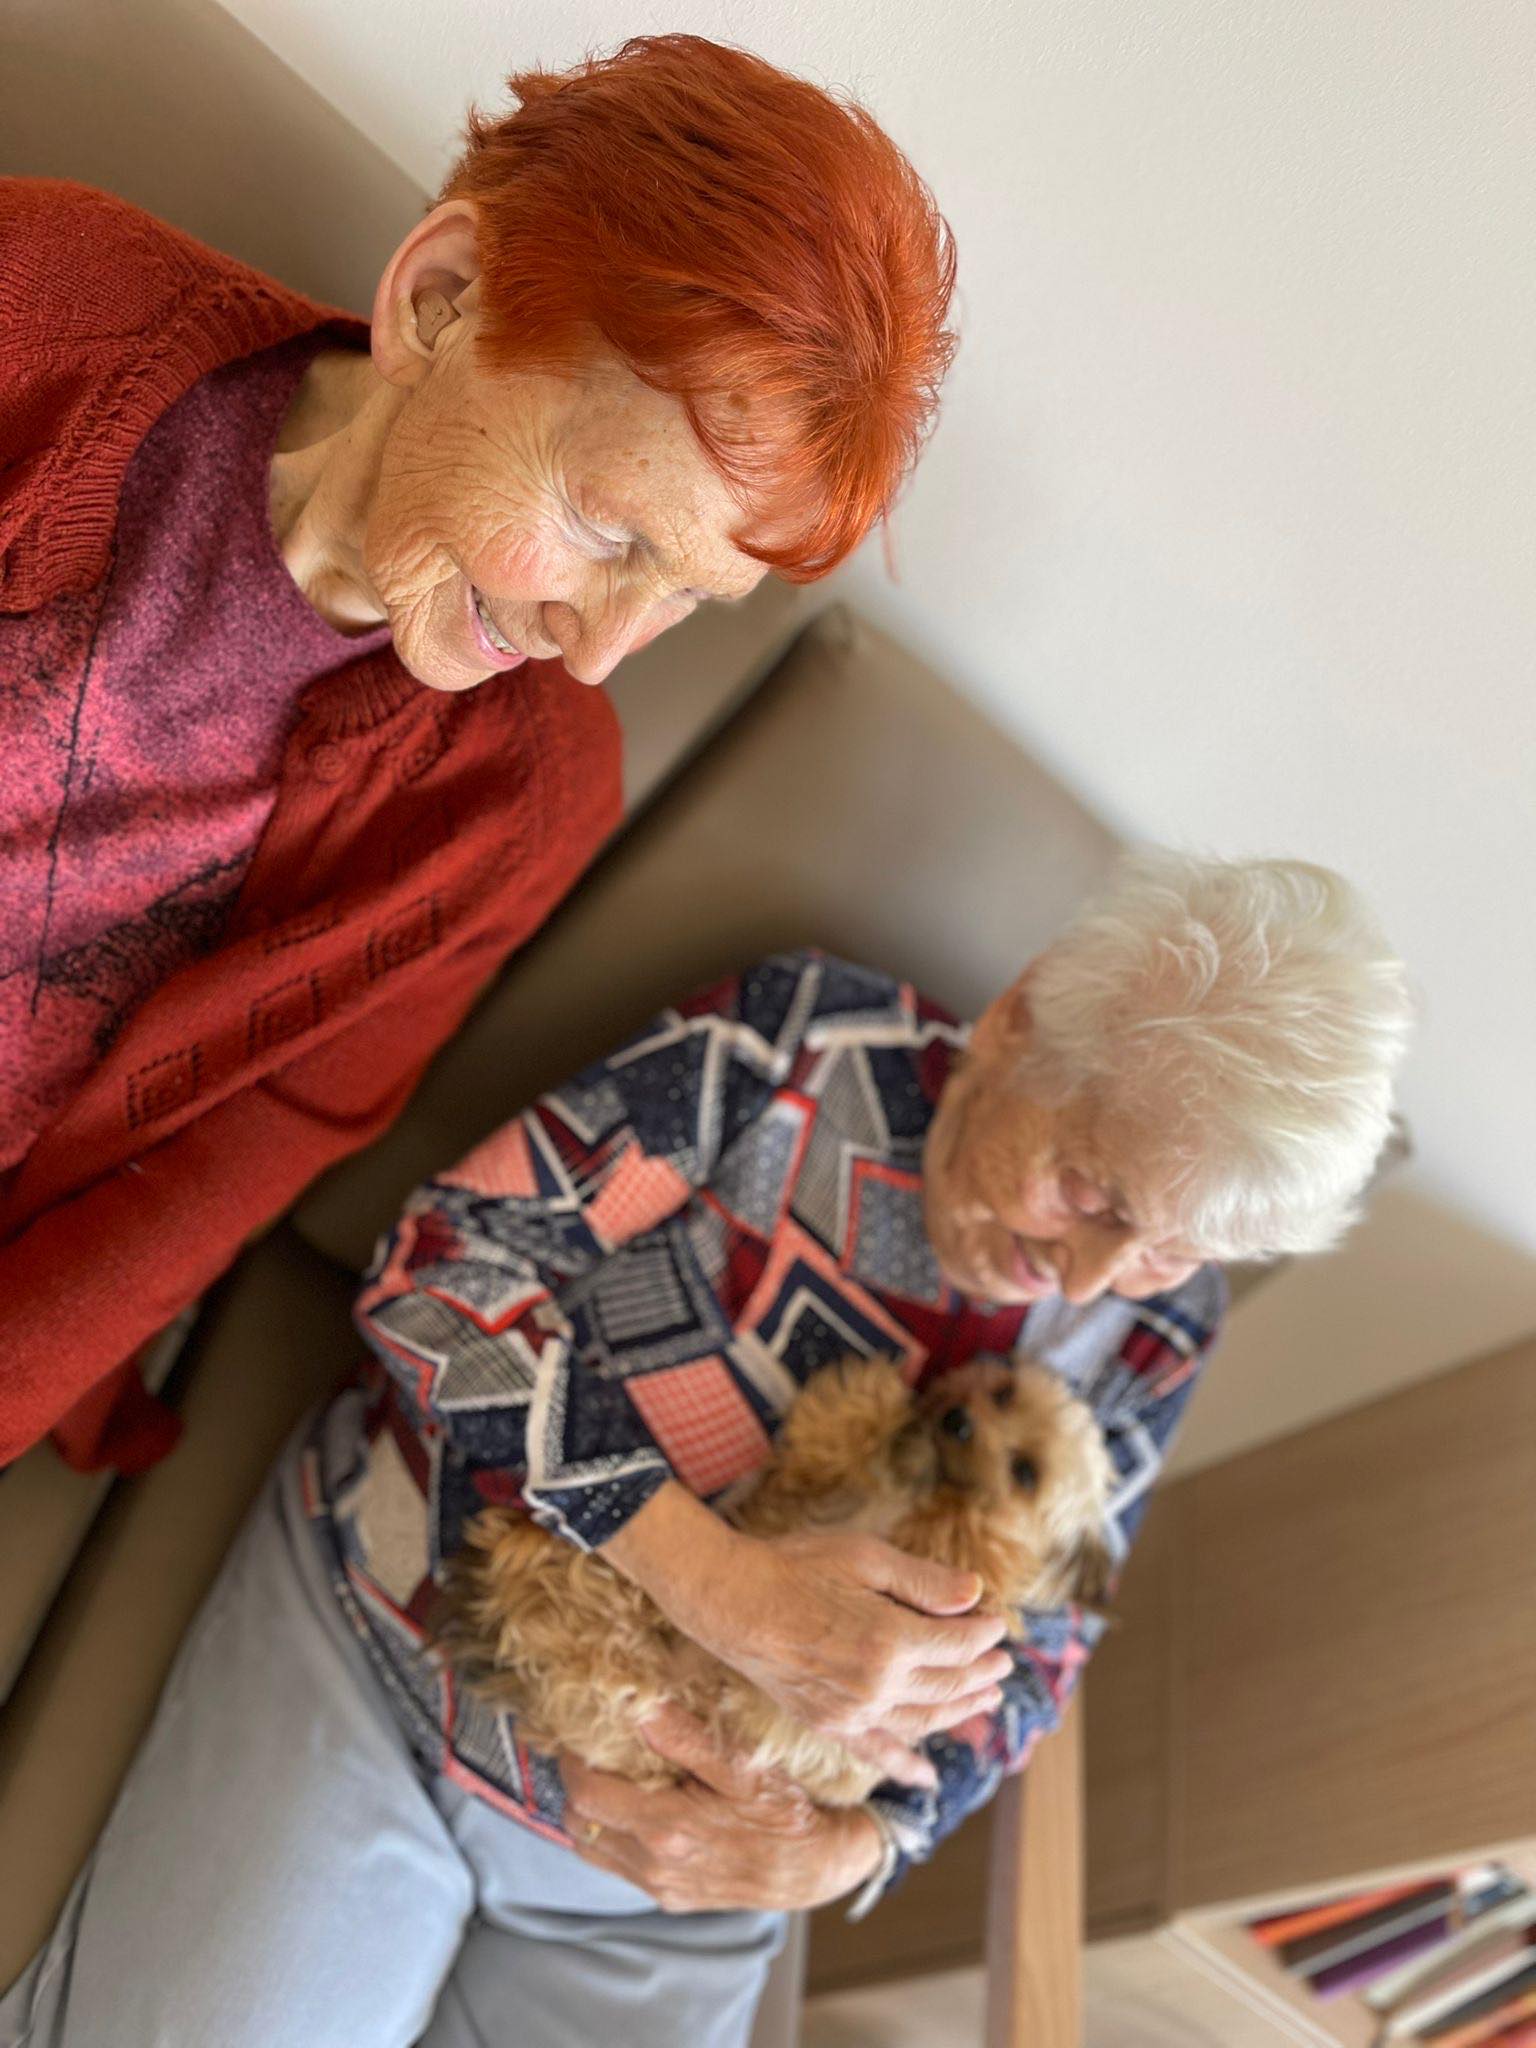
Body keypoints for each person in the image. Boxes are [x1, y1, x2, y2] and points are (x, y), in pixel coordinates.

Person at [0, 852, 1414, 2048]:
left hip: (680, 1876)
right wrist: (713, 1579)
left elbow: (1044, 1652)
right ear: (1021, 1020)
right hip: (406, 1669)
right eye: (1093, 1191)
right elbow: (440, 1273)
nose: (1096, 1280)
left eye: (1173, 1248)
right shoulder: (802, 1047)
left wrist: (853, 1849)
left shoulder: (1162, 1331)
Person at [0, 34, 956, 1469]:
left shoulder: (519, 804)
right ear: (439, 299)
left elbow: (211, 1172)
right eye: (608, 530)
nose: (597, 651)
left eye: (684, 598)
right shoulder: (42, 312)